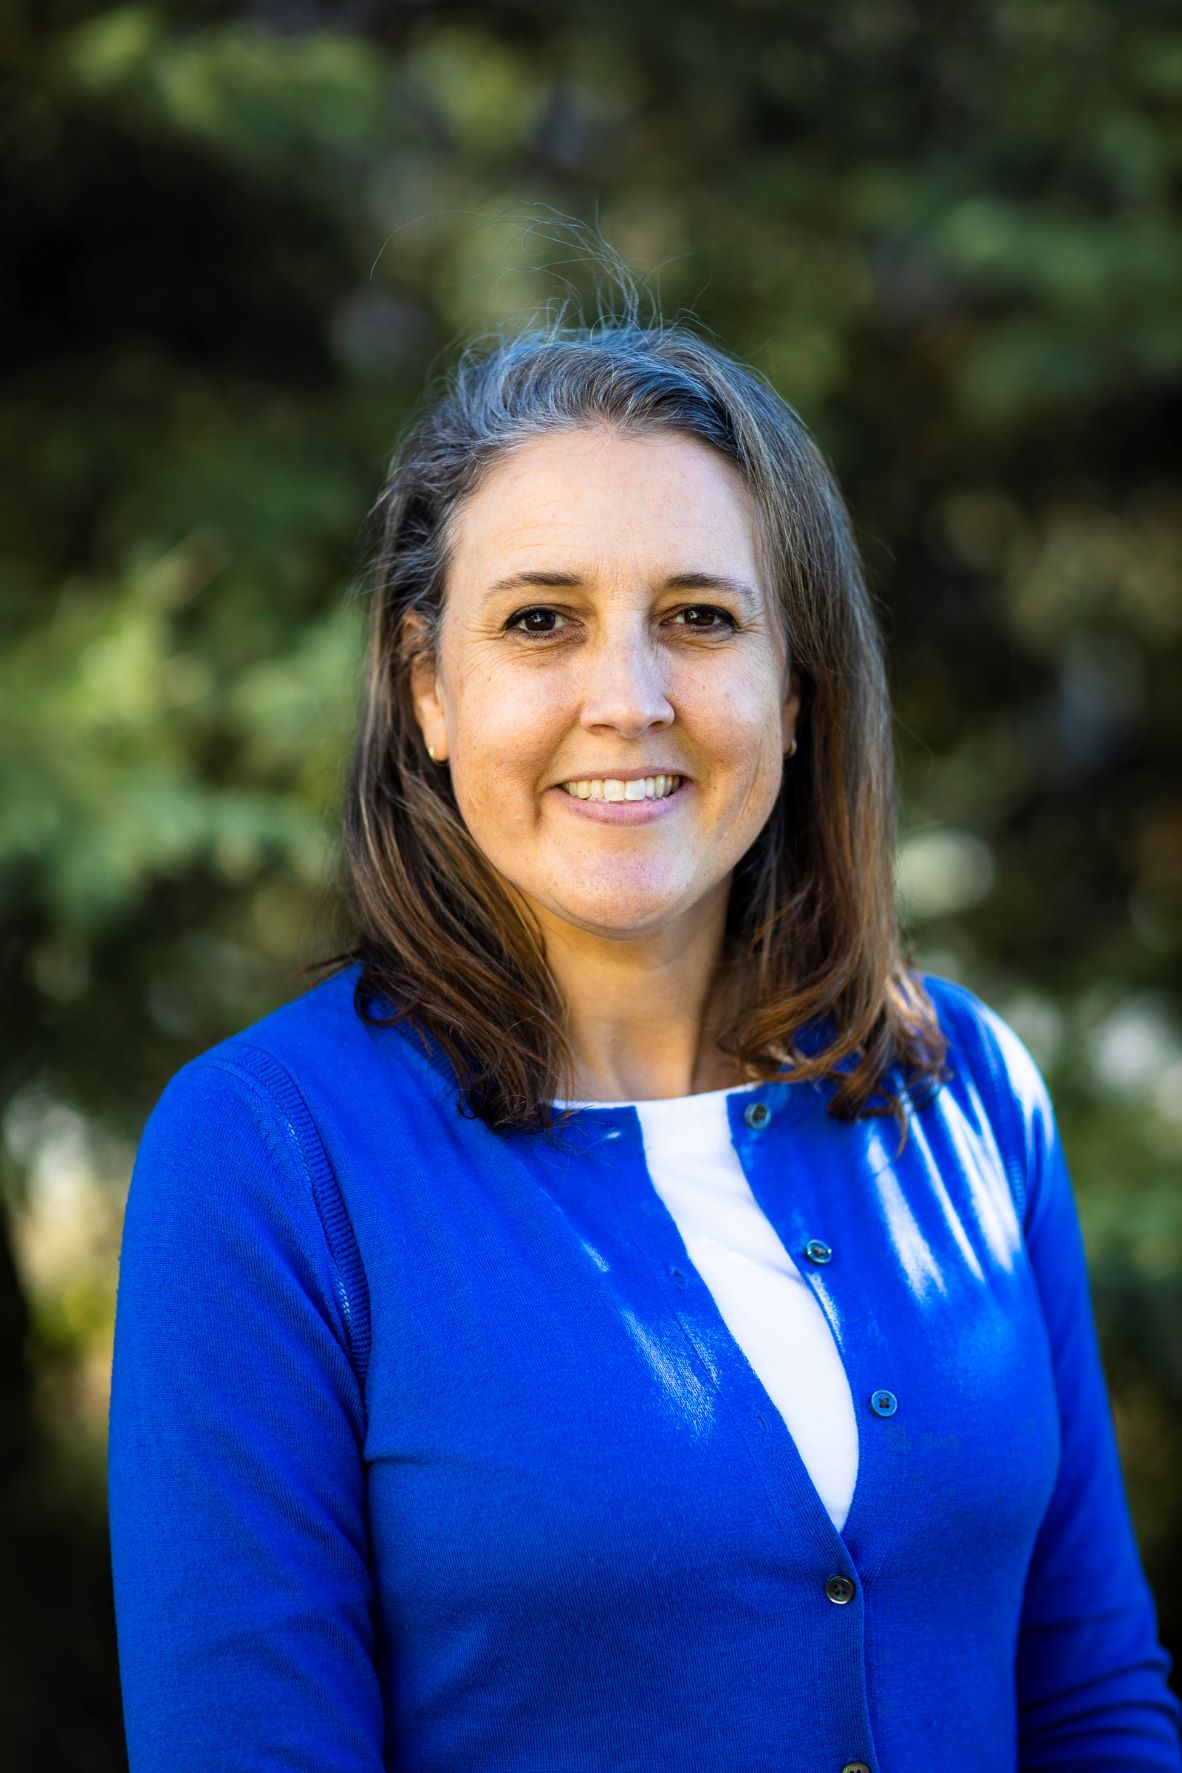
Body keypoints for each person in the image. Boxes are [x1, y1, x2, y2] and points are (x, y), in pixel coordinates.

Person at [107, 304, 1182, 1773]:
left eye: (699, 617)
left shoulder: (969, 1098)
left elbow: (1092, 1699)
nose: (628, 699)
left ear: (794, 692)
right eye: (539, 621)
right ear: (428, 687)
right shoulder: (268, 1156)